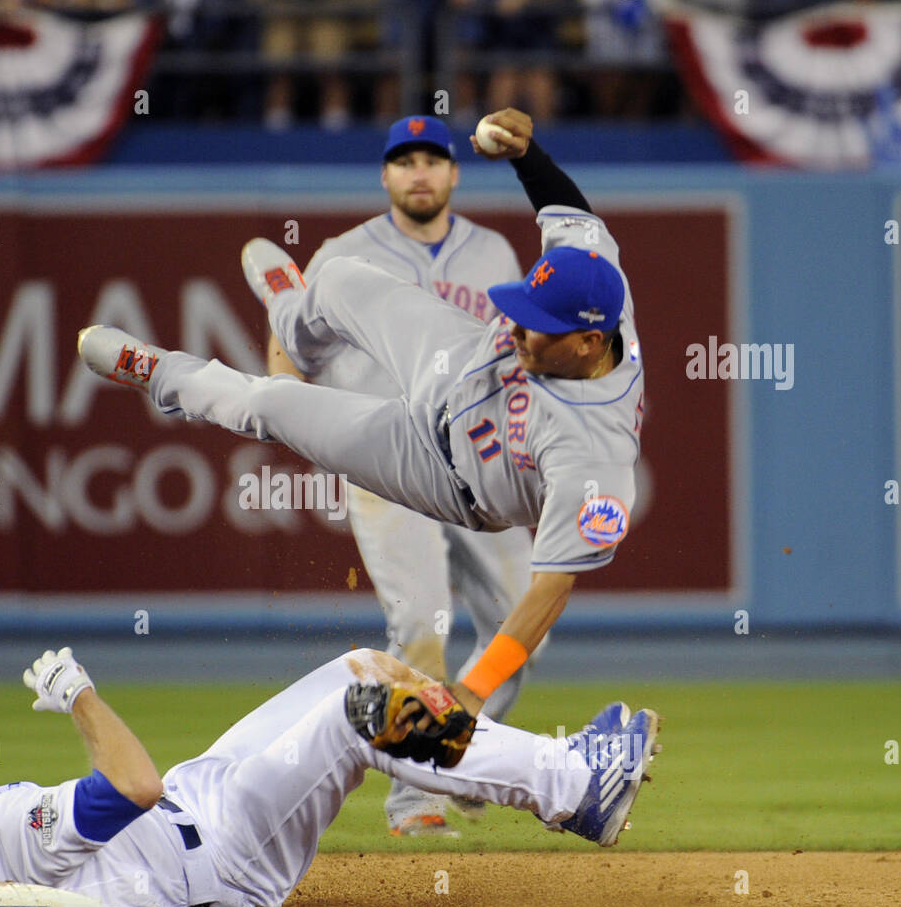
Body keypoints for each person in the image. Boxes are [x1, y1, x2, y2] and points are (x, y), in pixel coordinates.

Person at [78, 106, 645, 723]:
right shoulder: (594, 279)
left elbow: (551, 588)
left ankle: (156, 372)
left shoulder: (597, 457)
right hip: (453, 359)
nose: (521, 330)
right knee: (341, 276)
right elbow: (573, 215)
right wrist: (527, 155)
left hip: (444, 475)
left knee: (272, 403)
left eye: (540, 328)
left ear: (589, 344)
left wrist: (474, 691)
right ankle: (290, 312)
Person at [0, 646, 659, 907]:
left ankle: (473, 767)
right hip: (222, 847)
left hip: (203, 801)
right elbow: (132, 785)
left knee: (361, 669)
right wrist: (78, 695)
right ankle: (575, 785)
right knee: (360, 714)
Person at [268, 115, 538, 838]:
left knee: (524, 626)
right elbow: (289, 333)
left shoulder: (495, 249)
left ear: (453, 173)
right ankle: (415, 799)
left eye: (433, 159)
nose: (419, 172)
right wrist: (287, 399)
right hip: (389, 458)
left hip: (482, 460)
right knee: (422, 624)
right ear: (385, 176)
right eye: (404, 160)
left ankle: (462, 749)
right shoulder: (344, 253)